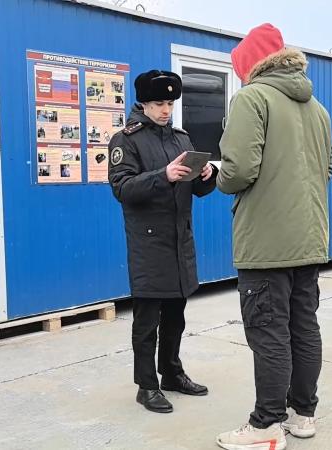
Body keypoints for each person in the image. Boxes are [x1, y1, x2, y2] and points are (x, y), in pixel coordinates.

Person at [215, 24, 332, 450]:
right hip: (309, 238)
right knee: (303, 327)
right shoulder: (317, 109)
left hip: (266, 242)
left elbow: (239, 171)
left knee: (267, 331)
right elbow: (327, 170)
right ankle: (303, 415)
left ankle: (266, 424)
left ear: (250, 65)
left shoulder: (252, 98)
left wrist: (219, 175)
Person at [108, 69, 218, 414]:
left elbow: (197, 190)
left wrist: (207, 175)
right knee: (147, 322)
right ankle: (146, 385)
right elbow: (122, 188)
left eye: (170, 103)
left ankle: (171, 372)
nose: (166, 110)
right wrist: (163, 175)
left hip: (179, 241)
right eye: (159, 103)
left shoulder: (181, 139)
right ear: (143, 101)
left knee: (176, 316)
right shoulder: (126, 139)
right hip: (149, 243)